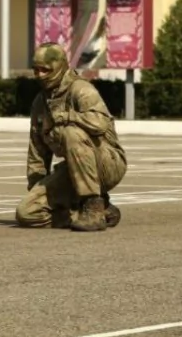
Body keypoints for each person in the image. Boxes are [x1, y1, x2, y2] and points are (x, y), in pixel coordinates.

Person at [16, 42, 127, 231]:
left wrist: (69, 116)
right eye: (36, 70)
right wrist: (37, 189)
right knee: (26, 213)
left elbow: (100, 123)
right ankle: (95, 210)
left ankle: (93, 206)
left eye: (45, 70)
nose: (39, 75)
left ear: (59, 67)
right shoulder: (40, 103)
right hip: (74, 170)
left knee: (71, 133)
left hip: (106, 163)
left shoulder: (81, 90)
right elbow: (37, 152)